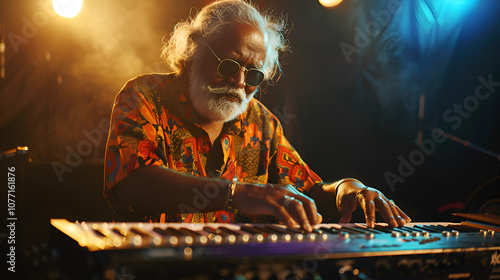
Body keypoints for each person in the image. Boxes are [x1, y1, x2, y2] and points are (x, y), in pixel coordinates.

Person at [104, 0, 411, 232]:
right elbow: (132, 181)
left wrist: (346, 188)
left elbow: (306, 190)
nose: (239, 82)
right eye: (227, 66)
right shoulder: (144, 95)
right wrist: (235, 193)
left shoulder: (260, 122)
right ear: (193, 52)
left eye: (253, 75)